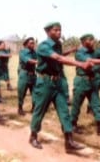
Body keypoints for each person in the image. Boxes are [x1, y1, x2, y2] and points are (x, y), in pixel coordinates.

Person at [29, 22, 91, 153]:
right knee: (39, 110)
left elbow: (60, 59)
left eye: (60, 30)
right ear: (47, 32)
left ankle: (69, 141)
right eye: (56, 30)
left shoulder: (58, 45)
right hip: (45, 82)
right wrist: (80, 64)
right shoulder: (43, 46)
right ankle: (33, 136)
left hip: (57, 83)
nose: (59, 32)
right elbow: (58, 58)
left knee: (64, 111)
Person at [71, 34, 100, 136]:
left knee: (96, 104)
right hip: (81, 81)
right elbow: (89, 61)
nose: (92, 41)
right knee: (76, 105)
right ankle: (72, 125)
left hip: (92, 81)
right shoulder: (80, 53)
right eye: (90, 40)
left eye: (93, 40)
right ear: (83, 42)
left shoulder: (93, 52)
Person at [17, 37, 37, 116]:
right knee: (22, 92)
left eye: (33, 43)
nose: (33, 44)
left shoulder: (34, 52)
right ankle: (20, 108)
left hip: (33, 75)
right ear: (26, 44)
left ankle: (34, 108)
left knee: (35, 92)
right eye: (31, 43)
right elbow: (28, 60)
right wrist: (38, 62)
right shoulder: (23, 52)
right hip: (24, 74)